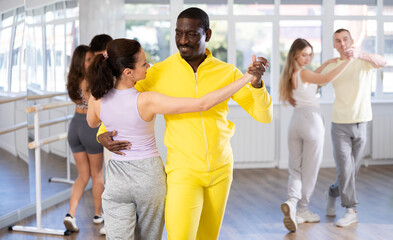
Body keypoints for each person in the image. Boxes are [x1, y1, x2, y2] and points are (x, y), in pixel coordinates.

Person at [97, 7, 273, 240]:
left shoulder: (227, 72)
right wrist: (103, 131)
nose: (182, 40)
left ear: (207, 35)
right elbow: (122, 100)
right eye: (178, 33)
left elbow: (263, 116)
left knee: (207, 237)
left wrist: (257, 84)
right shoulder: (157, 72)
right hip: (183, 171)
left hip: (221, 170)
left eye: (191, 34)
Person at [278, 38, 351, 232]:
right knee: (309, 171)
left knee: (296, 169)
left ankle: (292, 203)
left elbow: (313, 77)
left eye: (310, 55)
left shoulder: (291, 74)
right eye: (304, 55)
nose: (307, 58)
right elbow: (325, 80)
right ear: (295, 55)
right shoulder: (305, 73)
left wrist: (325, 64)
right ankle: (302, 209)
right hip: (311, 122)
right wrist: (347, 62)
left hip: (295, 122)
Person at [321, 29, 386, 227]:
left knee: (350, 172)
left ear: (350, 41)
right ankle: (351, 210)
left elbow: (383, 61)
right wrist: (325, 64)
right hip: (340, 124)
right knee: (345, 169)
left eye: (345, 39)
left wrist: (360, 54)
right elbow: (314, 80)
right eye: (337, 41)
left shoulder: (363, 61)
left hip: (362, 121)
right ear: (334, 45)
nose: (342, 44)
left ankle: (333, 192)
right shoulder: (332, 65)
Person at [64, 45, 104, 233]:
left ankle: (70, 214)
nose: (91, 62)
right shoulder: (89, 81)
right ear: (81, 62)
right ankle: (98, 214)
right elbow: (94, 107)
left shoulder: (72, 80)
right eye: (88, 59)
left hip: (74, 127)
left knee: (82, 175)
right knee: (97, 175)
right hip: (89, 128)